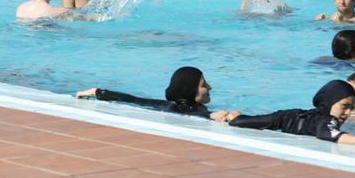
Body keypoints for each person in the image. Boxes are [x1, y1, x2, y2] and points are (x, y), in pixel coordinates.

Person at [227, 80, 355, 147]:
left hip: (288, 119)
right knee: (240, 121)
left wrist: (237, 119)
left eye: (351, 107)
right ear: (329, 102)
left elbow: (256, 121)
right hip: (287, 123)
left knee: (241, 120)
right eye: (344, 106)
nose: (348, 112)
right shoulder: (326, 120)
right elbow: (328, 133)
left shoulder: (306, 115)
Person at [75, 66, 238, 122]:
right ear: (190, 90)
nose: (209, 87)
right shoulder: (183, 108)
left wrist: (98, 92)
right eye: (203, 85)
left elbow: (133, 99)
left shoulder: (184, 105)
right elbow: (191, 114)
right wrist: (210, 115)